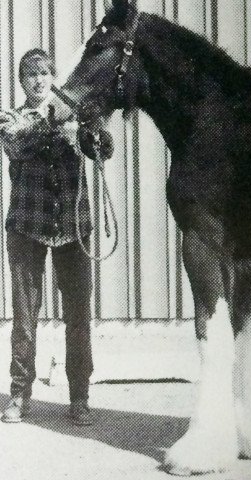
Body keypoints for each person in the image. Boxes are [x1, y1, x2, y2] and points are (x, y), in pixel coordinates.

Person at [0, 49, 113, 426]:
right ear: (21, 82)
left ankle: (79, 397)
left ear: (53, 77)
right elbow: (17, 145)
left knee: (78, 317)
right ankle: (19, 395)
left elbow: (103, 149)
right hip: (26, 228)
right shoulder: (11, 119)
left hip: (73, 228)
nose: (38, 81)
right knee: (24, 317)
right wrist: (57, 125)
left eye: (45, 73)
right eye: (30, 75)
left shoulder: (73, 114)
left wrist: (93, 128)